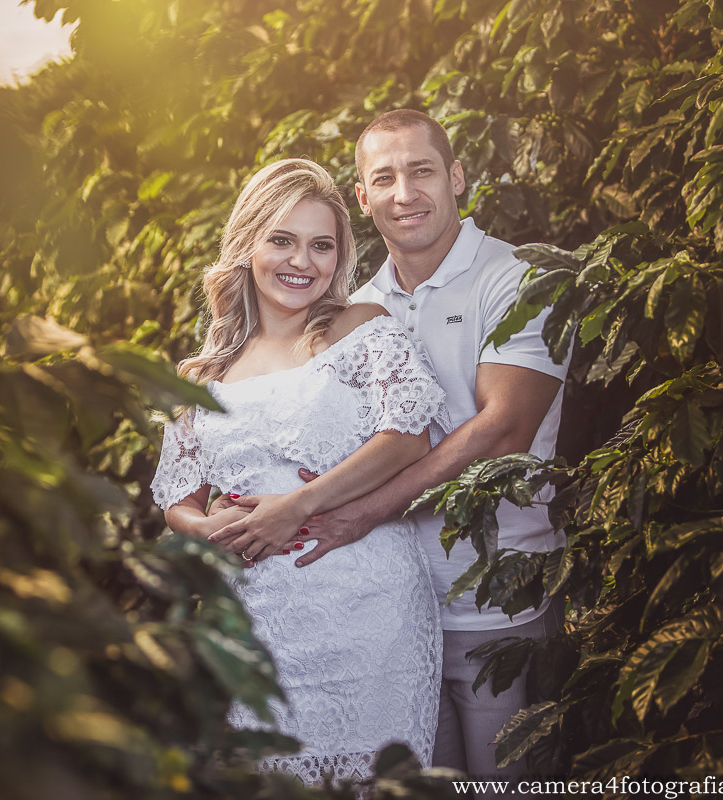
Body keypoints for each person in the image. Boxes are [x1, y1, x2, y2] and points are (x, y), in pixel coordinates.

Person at [215, 110, 568, 782]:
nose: (404, 193)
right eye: (384, 178)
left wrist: (354, 513)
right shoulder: (356, 308)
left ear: (456, 176)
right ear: (362, 196)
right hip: (385, 608)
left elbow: (503, 430)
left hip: (492, 595)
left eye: (421, 171)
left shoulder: (517, 277)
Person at [149, 158, 451, 784]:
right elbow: (179, 497)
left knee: (378, 781)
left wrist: (299, 504)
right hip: (255, 615)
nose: (302, 262)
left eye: (321, 245)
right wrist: (206, 531)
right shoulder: (204, 374)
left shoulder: (360, 328)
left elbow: (407, 438)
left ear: (339, 257)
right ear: (247, 245)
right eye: (282, 240)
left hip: (367, 607)